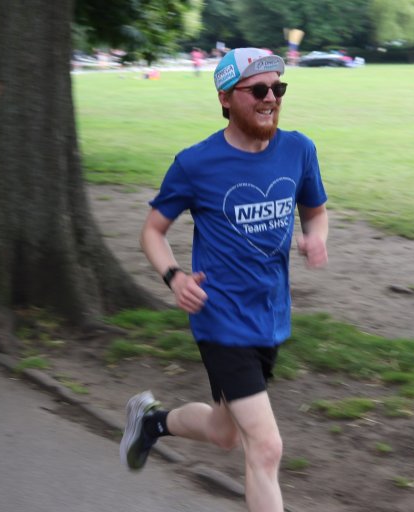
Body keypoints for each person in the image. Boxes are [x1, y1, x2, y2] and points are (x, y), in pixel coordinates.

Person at [120, 47, 329, 512]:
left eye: (278, 88)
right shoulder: (197, 164)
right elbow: (152, 232)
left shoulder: (299, 150)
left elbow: (315, 212)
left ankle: (152, 421)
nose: (270, 97)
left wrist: (315, 236)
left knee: (224, 433)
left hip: (270, 317)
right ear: (225, 98)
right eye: (258, 89)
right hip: (221, 320)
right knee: (266, 446)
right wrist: (174, 277)